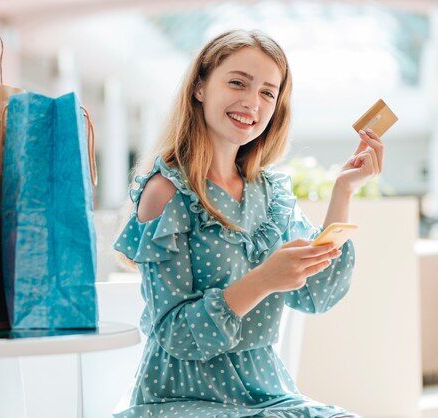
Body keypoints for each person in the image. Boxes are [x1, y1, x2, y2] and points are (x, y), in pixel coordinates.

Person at [113, 29, 383, 418]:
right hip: (183, 397)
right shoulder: (167, 193)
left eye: (267, 92)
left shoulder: (270, 194)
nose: (251, 102)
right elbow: (174, 334)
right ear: (200, 88)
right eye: (238, 82)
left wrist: (344, 191)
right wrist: (262, 280)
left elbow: (317, 293)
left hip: (268, 392)